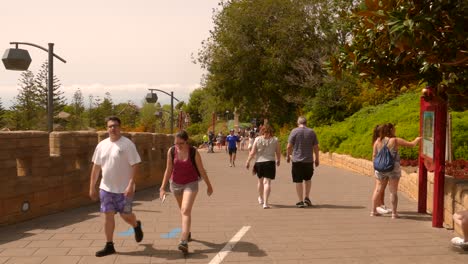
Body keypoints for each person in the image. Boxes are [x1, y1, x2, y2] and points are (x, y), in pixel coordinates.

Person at [89, 116, 143, 257]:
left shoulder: (127, 144)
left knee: (126, 216)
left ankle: (136, 225)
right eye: (110, 126)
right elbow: (96, 168)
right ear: (107, 128)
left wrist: (131, 184)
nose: (113, 128)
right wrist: (92, 187)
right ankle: (109, 245)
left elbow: (136, 164)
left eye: (115, 126)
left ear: (120, 127)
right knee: (108, 216)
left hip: (124, 189)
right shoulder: (101, 145)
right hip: (106, 188)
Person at [159, 130, 213, 254]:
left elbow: (201, 169)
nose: (178, 146)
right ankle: (187, 233)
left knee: (185, 210)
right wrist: (162, 187)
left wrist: (209, 186)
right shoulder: (171, 151)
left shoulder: (193, 152)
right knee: (183, 211)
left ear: (186, 141)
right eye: (176, 143)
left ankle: (183, 241)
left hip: (191, 183)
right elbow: (168, 170)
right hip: (175, 184)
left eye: (181, 143)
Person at [370, 123, 421, 218]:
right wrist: (417, 139)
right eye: (394, 129)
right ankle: (394, 213)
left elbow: (374, 156)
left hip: (380, 169)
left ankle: (373, 211)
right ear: (390, 130)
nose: (395, 130)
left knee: (377, 189)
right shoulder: (395, 140)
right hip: (393, 168)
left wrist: (376, 167)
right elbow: (412, 144)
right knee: (393, 191)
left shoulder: (378, 141)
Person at [286, 116, 319, 208]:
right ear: (306, 123)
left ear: (298, 123)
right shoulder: (312, 132)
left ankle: (300, 201)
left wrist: (288, 156)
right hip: (308, 160)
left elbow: (289, 146)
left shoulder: (294, 131)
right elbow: (316, 147)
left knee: (298, 180)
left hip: (297, 160)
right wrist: (317, 159)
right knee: (308, 179)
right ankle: (307, 198)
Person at [245, 125, 281, 209]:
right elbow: (278, 152)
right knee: (267, 182)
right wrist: (278, 160)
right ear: (271, 132)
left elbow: (253, 152)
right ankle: (265, 203)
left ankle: (260, 198)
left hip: (259, 162)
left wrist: (248, 161)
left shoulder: (257, 139)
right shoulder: (275, 140)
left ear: (262, 131)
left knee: (260, 181)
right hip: (270, 162)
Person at [371, 125, 391, 215]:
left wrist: (375, 166)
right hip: (385, 167)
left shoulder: (376, 141)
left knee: (379, 188)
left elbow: (374, 155)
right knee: (380, 188)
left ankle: (378, 207)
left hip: (378, 167)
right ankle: (376, 207)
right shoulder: (386, 140)